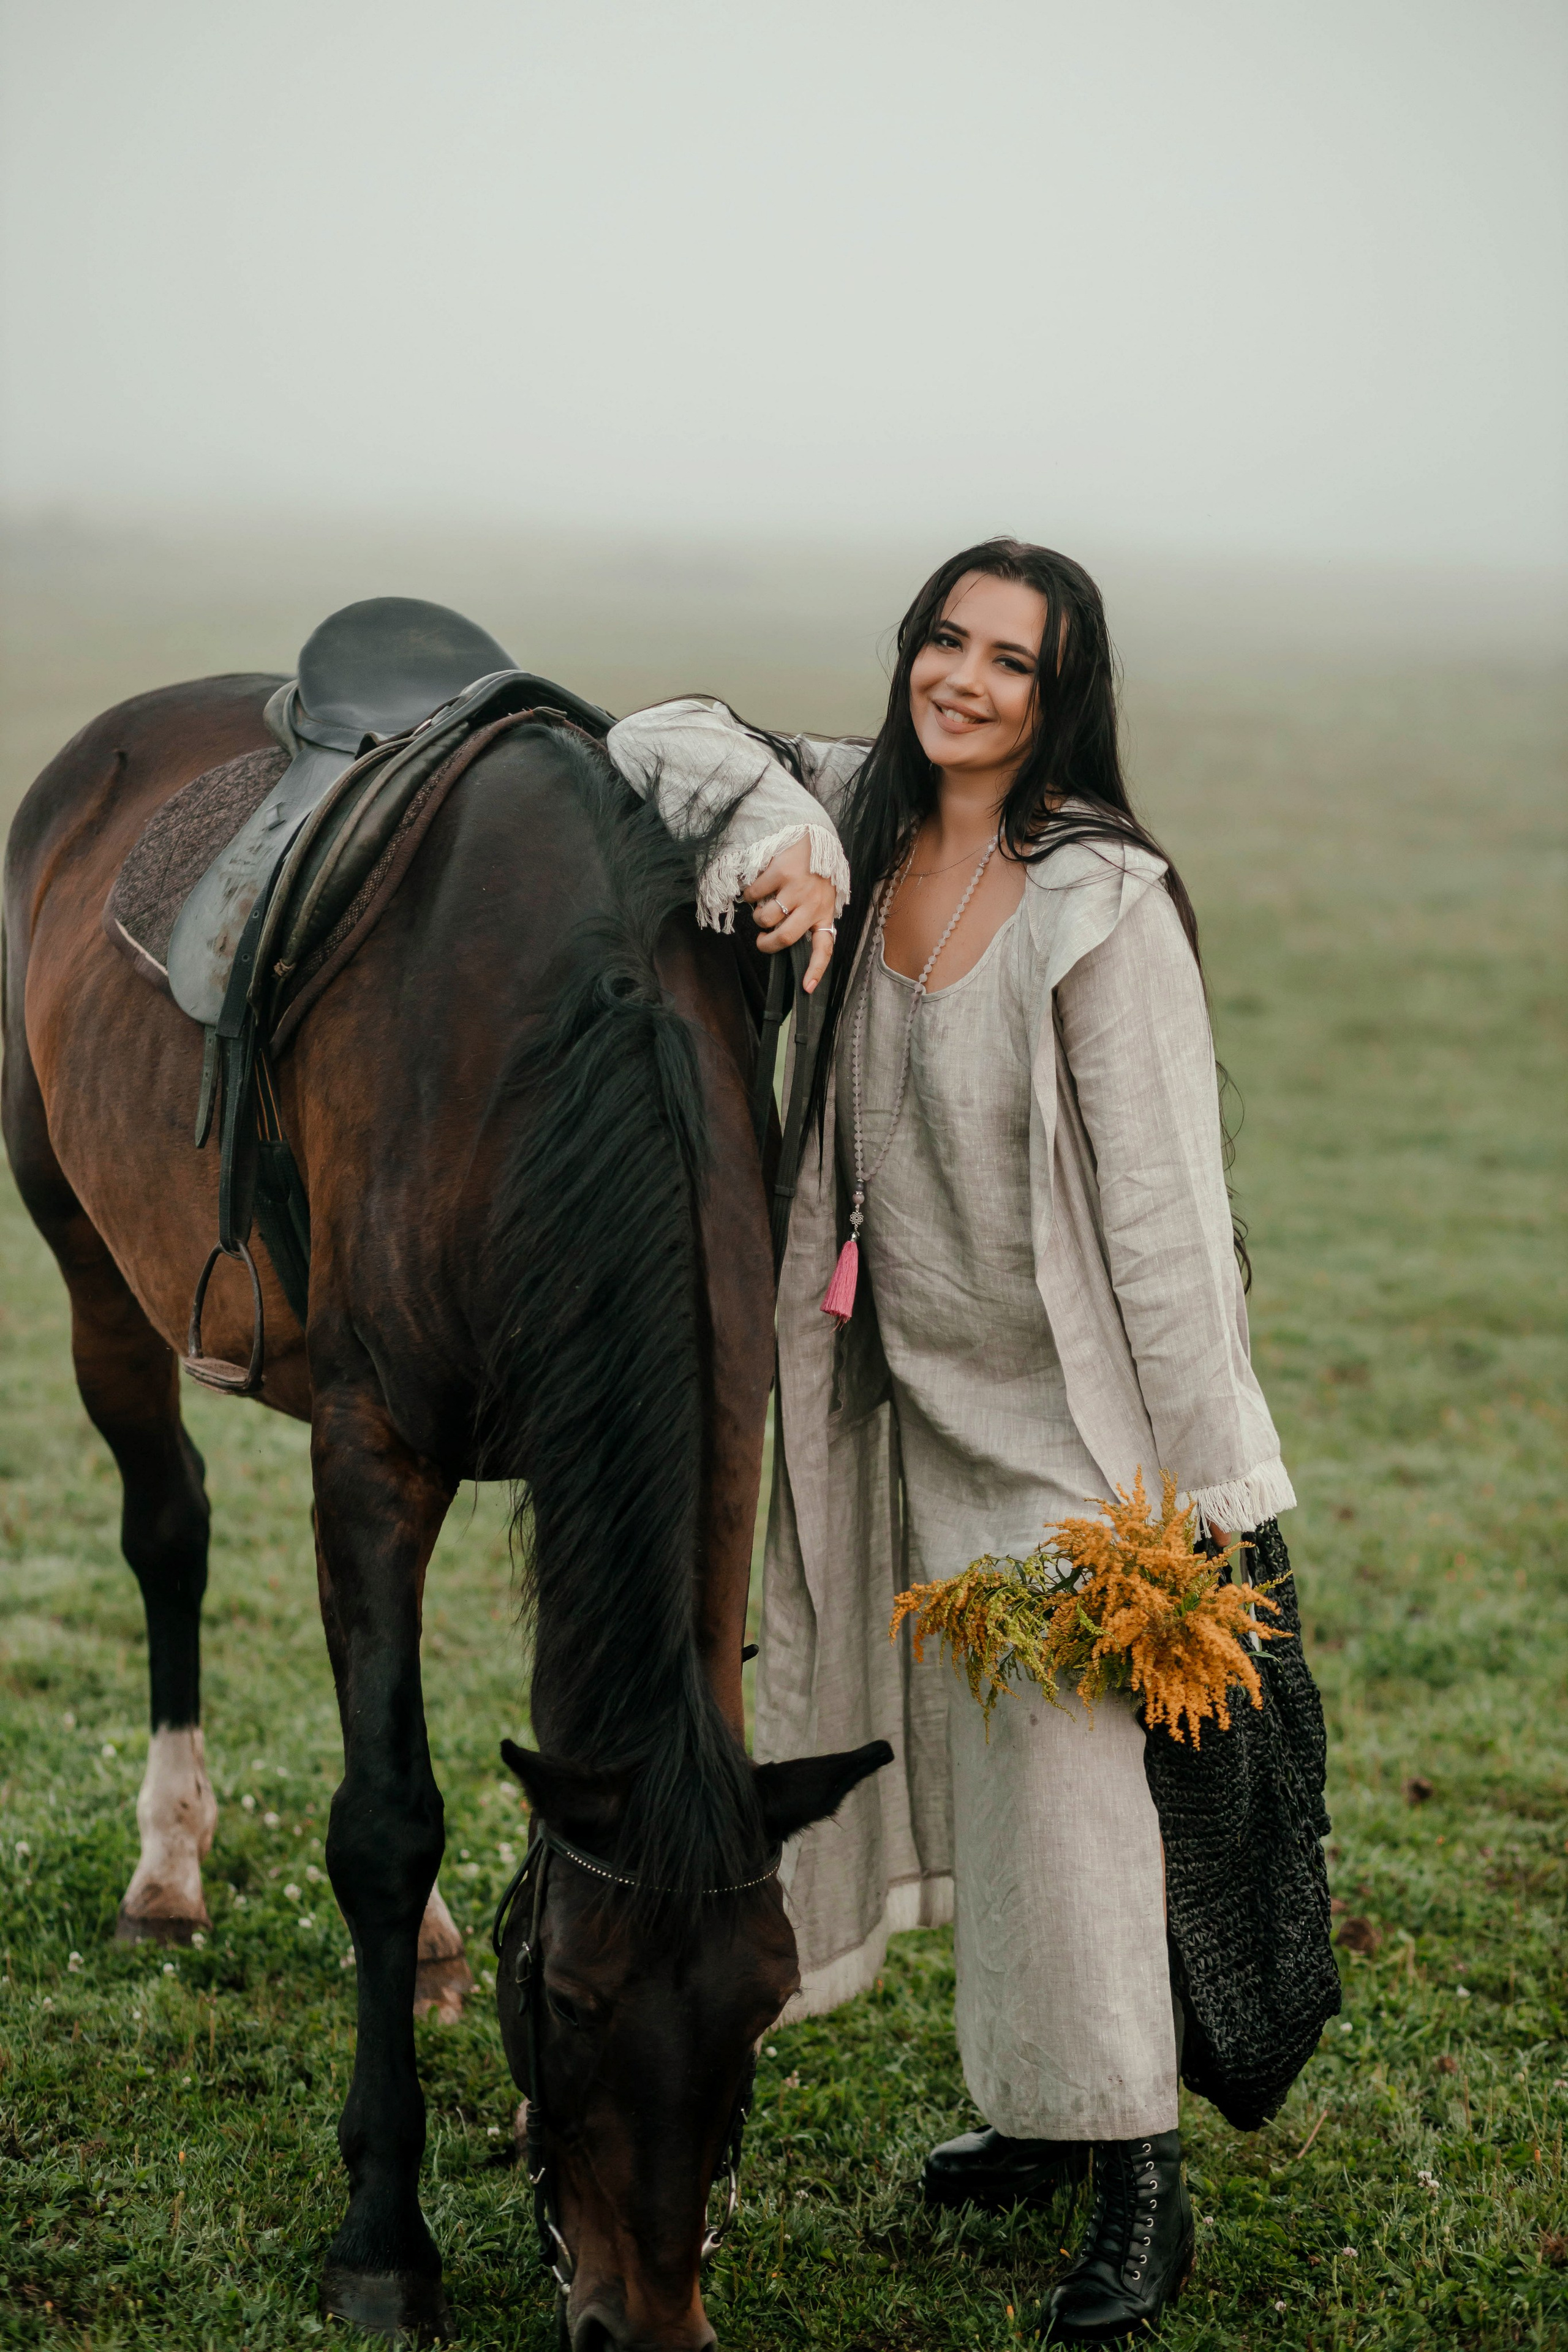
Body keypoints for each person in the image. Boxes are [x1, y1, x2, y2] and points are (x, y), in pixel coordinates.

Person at [605, 538, 1298, 2343]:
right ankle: (1039, 2112)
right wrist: (777, 830)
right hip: (886, 1399)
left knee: (1068, 1795)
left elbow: (1162, 1221)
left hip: (1076, 1432)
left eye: (1012, 659)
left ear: (1065, 696)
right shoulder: (851, 805)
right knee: (969, 1759)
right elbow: (655, 727)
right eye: (946, 638)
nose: (965, 678)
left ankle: (1137, 2170)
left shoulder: (1102, 902)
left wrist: (1216, 1500)